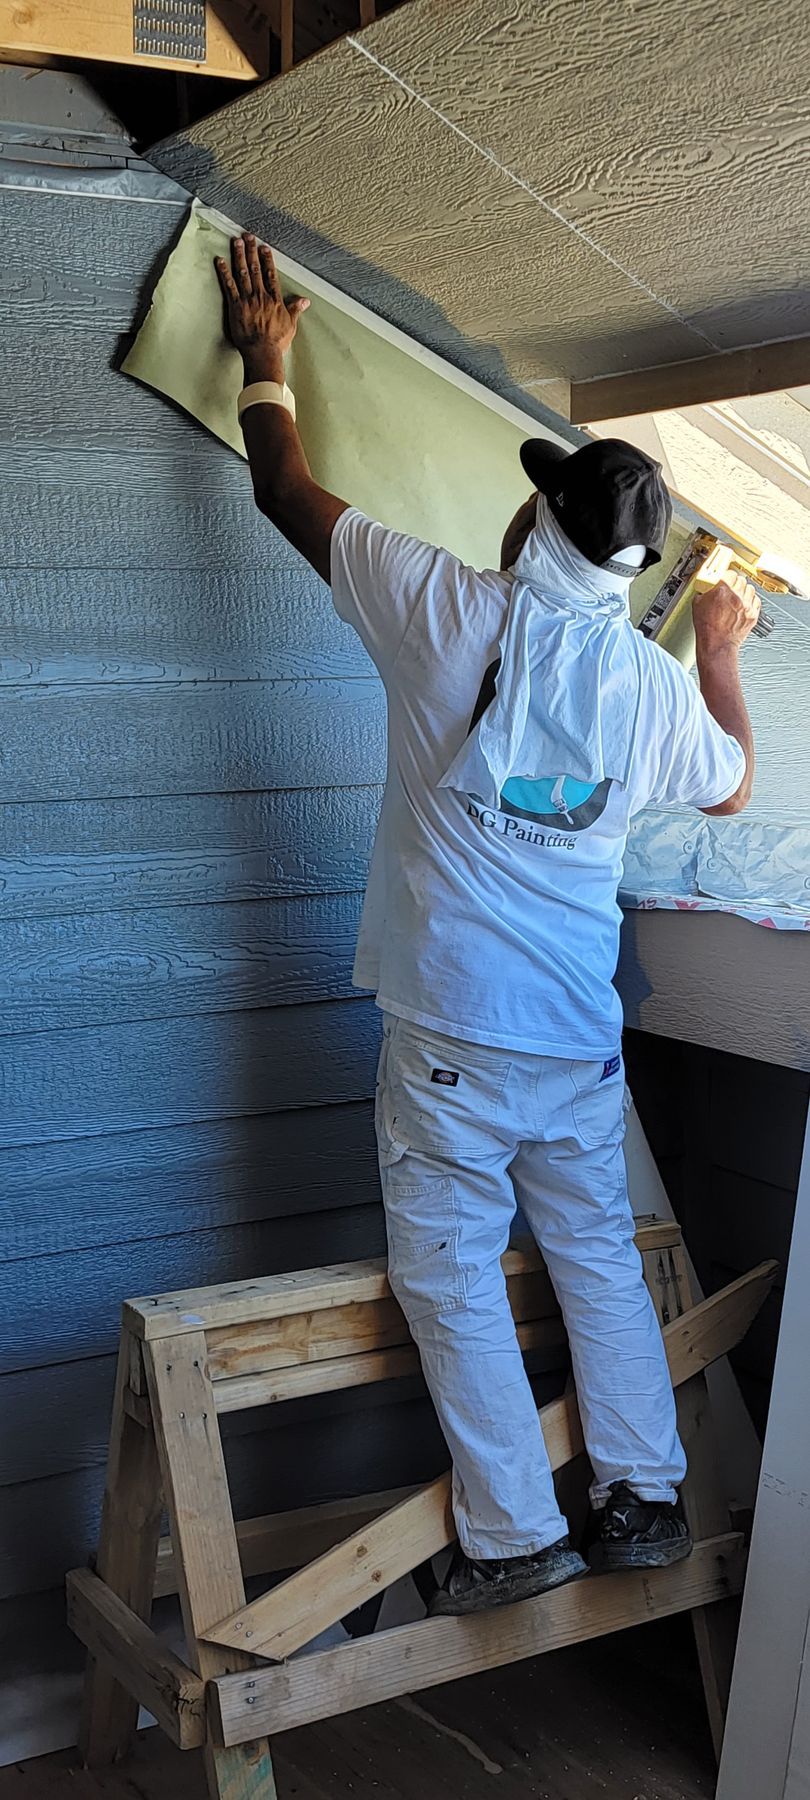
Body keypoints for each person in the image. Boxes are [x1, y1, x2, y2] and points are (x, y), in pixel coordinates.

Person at [215, 236, 760, 1617]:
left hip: (452, 1035)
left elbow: (281, 489)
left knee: (452, 1270)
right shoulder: (648, 687)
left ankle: (512, 1535)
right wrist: (717, 650)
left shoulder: (444, 609)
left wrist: (266, 359)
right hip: (575, 1043)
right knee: (595, 1259)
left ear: (540, 527)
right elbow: (730, 783)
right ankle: (640, 1499)